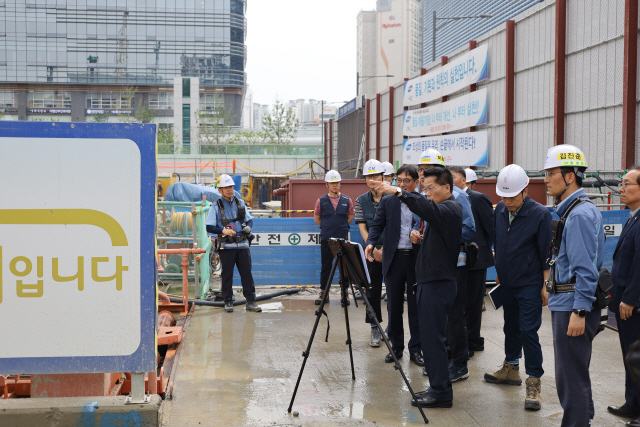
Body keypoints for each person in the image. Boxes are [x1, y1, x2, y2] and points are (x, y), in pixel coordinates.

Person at [373, 167, 461, 408]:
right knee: (432, 338)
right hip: (428, 281)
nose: (428, 193)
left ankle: (441, 392)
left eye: (431, 188)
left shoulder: (450, 208)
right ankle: (437, 386)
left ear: (447, 188)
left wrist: (400, 192)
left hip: (438, 283)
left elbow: (426, 208)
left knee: (433, 339)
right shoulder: (440, 210)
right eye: (426, 189)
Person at [543, 145, 605, 427]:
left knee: (570, 377)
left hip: (573, 307)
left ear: (570, 177)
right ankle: (585, 419)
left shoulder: (578, 215)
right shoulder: (576, 210)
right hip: (568, 304)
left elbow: (585, 269)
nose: (545, 179)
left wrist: (579, 311)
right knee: (576, 372)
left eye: (550, 173)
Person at [485, 164, 551, 411]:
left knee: (528, 331)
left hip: (530, 283)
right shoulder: (500, 210)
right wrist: (501, 272)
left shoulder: (540, 214)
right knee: (510, 326)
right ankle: (511, 368)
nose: (507, 201)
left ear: (525, 191)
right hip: (508, 281)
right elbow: (499, 242)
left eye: (512, 196)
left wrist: (545, 285)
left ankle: (533, 381)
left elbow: (545, 252)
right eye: (503, 196)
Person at [415, 150, 475, 382]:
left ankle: (458, 363)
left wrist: (446, 236)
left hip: (454, 264)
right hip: (432, 264)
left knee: (454, 316)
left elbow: (468, 229)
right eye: (420, 169)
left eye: (427, 168)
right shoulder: (425, 195)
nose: (422, 173)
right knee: (437, 321)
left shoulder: (457, 197)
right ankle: (441, 362)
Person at [364, 165, 423, 367]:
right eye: (399, 180)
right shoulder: (389, 201)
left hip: (416, 259)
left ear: (416, 183)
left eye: (407, 180)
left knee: (416, 308)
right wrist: (371, 243)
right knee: (394, 306)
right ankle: (397, 347)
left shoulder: (421, 201)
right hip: (394, 259)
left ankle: (416, 350)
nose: (402, 184)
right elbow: (377, 225)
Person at [607, 166, 640, 425]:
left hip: (633, 303)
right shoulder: (633, 217)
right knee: (630, 356)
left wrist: (630, 298)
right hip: (623, 299)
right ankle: (633, 404)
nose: (621, 188)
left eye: (627, 183)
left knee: (637, 356)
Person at [450, 167, 495, 355]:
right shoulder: (449, 199)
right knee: (459, 302)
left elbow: (491, 228)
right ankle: (462, 340)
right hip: (457, 259)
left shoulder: (477, 198)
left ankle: (473, 341)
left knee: (474, 303)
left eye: (453, 178)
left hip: (476, 260)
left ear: (464, 180)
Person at [205, 174, 262, 313]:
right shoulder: (216, 206)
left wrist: (248, 227)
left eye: (230, 187)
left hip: (242, 245)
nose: (229, 190)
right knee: (227, 274)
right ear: (220, 190)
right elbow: (209, 227)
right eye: (226, 188)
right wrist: (223, 230)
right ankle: (228, 301)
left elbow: (249, 220)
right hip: (226, 247)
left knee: (247, 274)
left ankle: (250, 301)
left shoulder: (240, 203)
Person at [355, 159, 387, 347]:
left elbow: (397, 227)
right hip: (371, 252)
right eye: (369, 176)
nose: (373, 179)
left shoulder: (391, 197)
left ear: (383, 176)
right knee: (372, 291)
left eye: (376, 175)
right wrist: (373, 249)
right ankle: (375, 328)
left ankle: (392, 329)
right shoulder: (361, 200)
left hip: (393, 250)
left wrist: (386, 249)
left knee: (394, 292)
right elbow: (363, 228)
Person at [314, 170, 355, 305]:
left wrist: (339, 227)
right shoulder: (321, 201)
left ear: (340, 183)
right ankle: (324, 293)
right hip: (327, 239)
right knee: (326, 266)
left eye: (337, 182)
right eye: (332, 183)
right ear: (327, 184)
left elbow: (349, 218)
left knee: (344, 266)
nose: (335, 185)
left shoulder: (347, 200)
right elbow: (317, 219)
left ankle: (345, 292)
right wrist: (328, 228)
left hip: (342, 239)